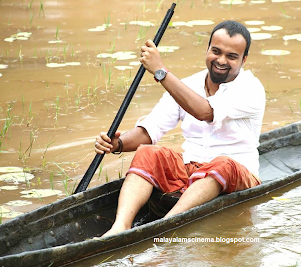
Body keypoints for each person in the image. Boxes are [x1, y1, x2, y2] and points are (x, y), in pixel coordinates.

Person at [94, 20, 266, 237]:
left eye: (231, 56)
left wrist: (161, 72)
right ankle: (120, 227)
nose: (221, 61)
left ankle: (168, 225)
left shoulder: (250, 88)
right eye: (216, 51)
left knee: (222, 164)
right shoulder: (187, 86)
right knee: (149, 152)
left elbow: (205, 112)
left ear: (244, 60)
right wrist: (116, 144)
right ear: (207, 50)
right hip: (191, 170)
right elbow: (150, 131)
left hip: (236, 174)